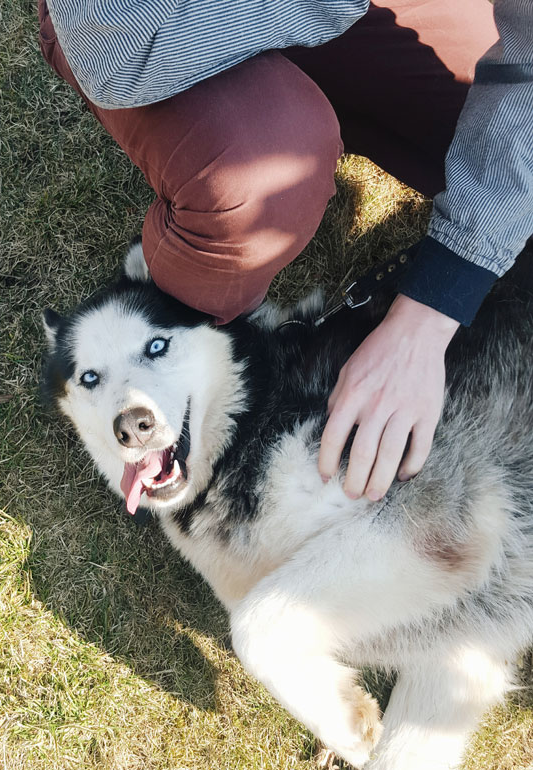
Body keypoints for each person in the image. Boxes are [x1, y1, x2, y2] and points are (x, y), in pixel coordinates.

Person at [37, 0, 533, 500]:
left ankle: (321, 102)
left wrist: (428, 316)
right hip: (147, 31)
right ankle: (155, 328)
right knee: (262, 180)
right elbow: (112, 48)